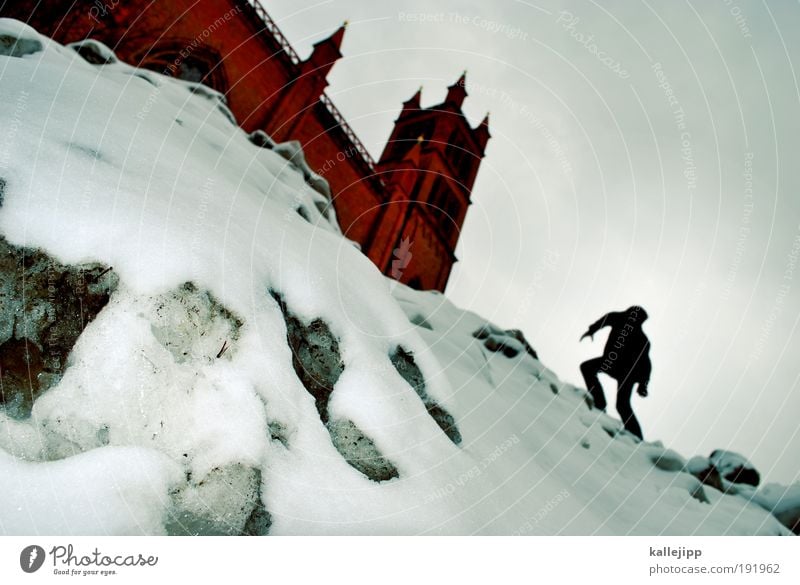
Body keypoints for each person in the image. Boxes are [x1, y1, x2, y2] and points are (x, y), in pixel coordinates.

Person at [579, 306, 651, 440]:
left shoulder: (642, 339)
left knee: (622, 405)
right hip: (613, 364)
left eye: (640, 322)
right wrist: (592, 330)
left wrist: (643, 384)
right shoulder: (620, 318)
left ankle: (637, 437)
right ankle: (599, 403)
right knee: (587, 368)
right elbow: (606, 319)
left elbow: (646, 363)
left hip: (627, 372)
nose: (637, 324)